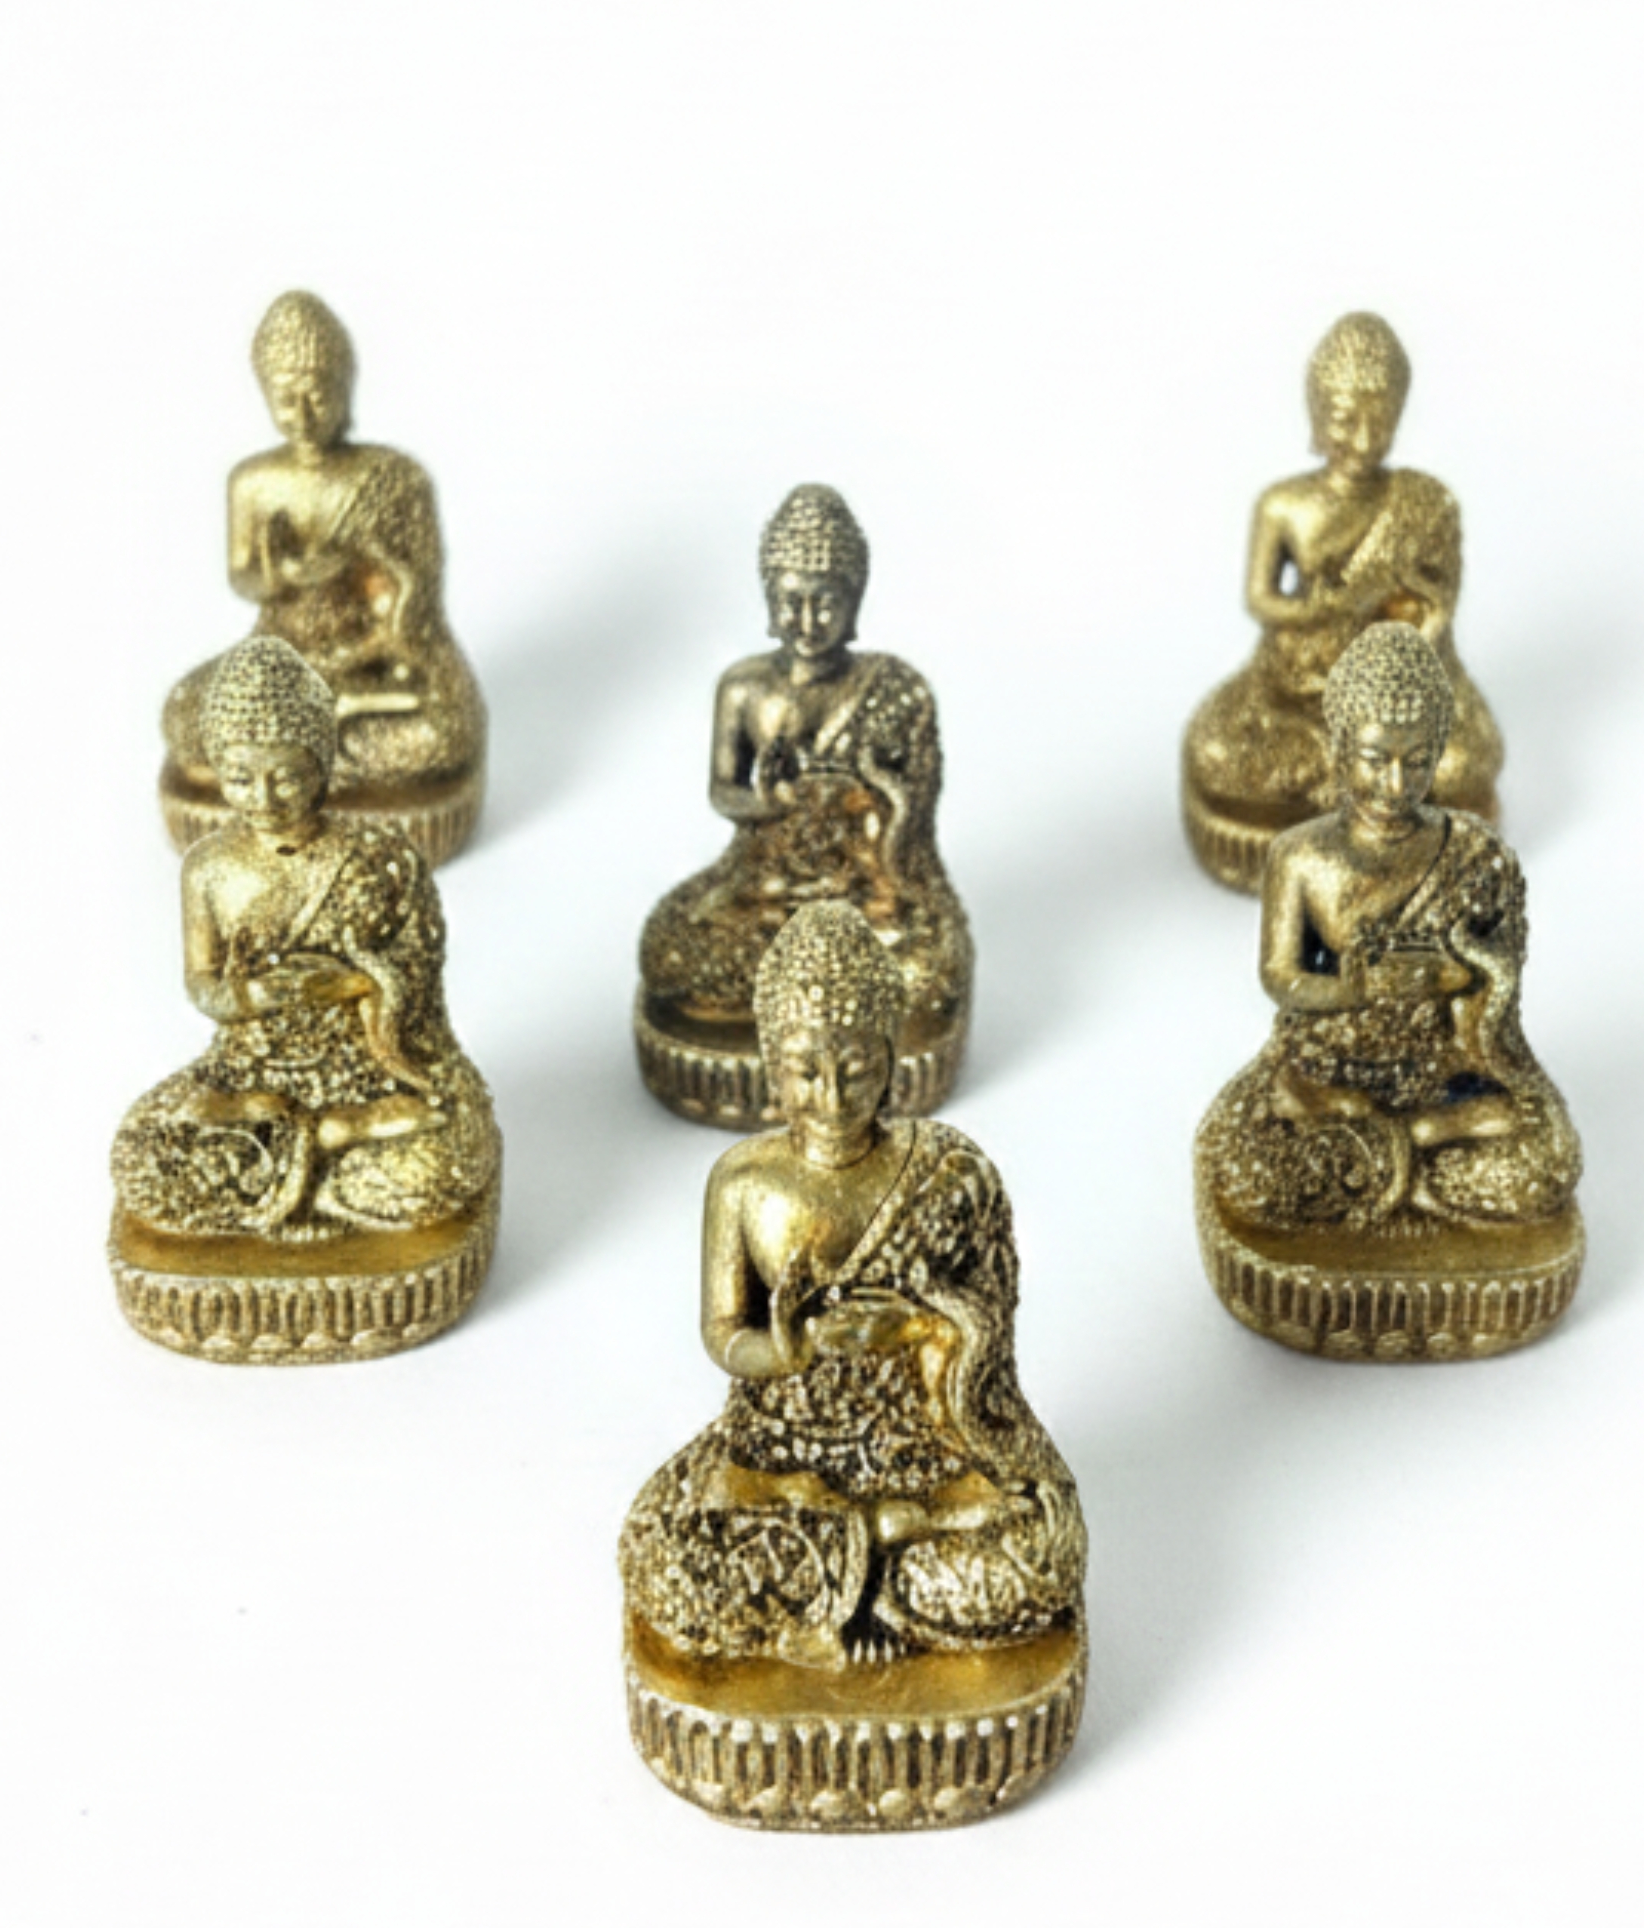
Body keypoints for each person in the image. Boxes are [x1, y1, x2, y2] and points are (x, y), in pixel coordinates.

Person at [622, 902, 1083, 1670]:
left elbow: (990, 1324)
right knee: (666, 1559)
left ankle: (850, 1570)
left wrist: (918, 1328)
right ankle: (882, 1546)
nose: (833, 1096)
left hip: (923, 1444)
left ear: (892, 1055)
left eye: (858, 1067)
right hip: (783, 1451)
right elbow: (724, 1334)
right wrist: (789, 1348)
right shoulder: (743, 1181)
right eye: (806, 1071)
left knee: (1040, 1557)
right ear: (772, 1060)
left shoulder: (947, 1172)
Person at [1199, 622, 1579, 1238]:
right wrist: (1360, 989)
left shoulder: (1471, 853)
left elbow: (1498, 984)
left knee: (1544, 1152)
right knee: (1253, 1163)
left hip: (1442, 1071)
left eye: (1417, 762)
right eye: (1376, 760)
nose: (1395, 786)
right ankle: (1415, 1164)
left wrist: (1455, 975)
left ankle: (1392, 1153)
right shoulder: (1301, 856)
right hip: (1336, 1064)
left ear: (1439, 753)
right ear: (1340, 747)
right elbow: (1280, 977)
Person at [117, 638, 497, 1242]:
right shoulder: (209, 868)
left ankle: (304, 1155)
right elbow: (203, 984)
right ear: (218, 769)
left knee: (450, 1152)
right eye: (241, 778)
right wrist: (257, 996)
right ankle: (321, 1167)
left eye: (286, 777)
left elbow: (416, 981)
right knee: (142, 1154)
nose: (265, 798)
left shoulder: (377, 859)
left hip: (365, 1075)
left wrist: (351, 984)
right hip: (250, 1074)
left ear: (321, 765)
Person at [636, 485, 972, 1118]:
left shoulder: (893, 690)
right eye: (792, 601)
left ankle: (841, 1051)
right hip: (760, 885)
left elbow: (913, 815)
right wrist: (770, 799)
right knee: (671, 953)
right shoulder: (744, 688)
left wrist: (872, 786)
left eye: (826, 603)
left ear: (854, 603)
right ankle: (813, 1040)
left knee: (928, 971)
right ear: (769, 598)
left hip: (861, 889)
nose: (808, 621)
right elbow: (724, 792)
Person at [1182, 313, 1502, 888]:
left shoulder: (1422, 503)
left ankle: (1369, 804)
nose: (1362, 439)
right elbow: (1261, 599)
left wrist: (1413, 636)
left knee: (1466, 762)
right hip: (1297, 686)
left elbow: (1437, 606)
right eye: (1345, 419)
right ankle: (1360, 817)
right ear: (1317, 414)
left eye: (1380, 421)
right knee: (1218, 753)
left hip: (1392, 694)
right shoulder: (1284, 505)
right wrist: (1317, 612)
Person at [160, 291, 485, 855]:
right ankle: (297, 763)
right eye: (287, 400)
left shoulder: (391, 479)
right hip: (281, 654)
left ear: (345, 387)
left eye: (318, 394)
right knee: (185, 715)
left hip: (371, 660)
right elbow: (243, 579)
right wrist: (282, 573)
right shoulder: (254, 482)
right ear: (266, 396)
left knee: (448, 733)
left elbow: (417, 600)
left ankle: (278, 766)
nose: (305, 414)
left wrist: (379, 575)